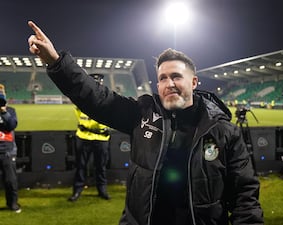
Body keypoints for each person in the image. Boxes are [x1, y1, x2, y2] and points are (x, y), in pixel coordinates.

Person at [27, 21, 264, 225]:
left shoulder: (224, 131)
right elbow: (97, 99)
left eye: (176, 76)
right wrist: (56, 62)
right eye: (162, 78)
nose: (169, 83)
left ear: (194, 82)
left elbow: (245, 195)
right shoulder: (142, 114)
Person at [68, 73, 111, 201]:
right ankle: (77, 190)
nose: (97, 84)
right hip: (83, 136)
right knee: (80, 166)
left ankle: (102, 189)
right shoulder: (81, 97)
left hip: (101, 137)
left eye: (99, 82)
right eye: (94, 82)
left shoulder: (108, 97)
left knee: (101, 166)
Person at [0, 84, 21, 213]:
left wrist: (3, 111)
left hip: (7, 151)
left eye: (1, 91)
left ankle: (12, 203)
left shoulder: (10, 110)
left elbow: (12, 125)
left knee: (10, 180)